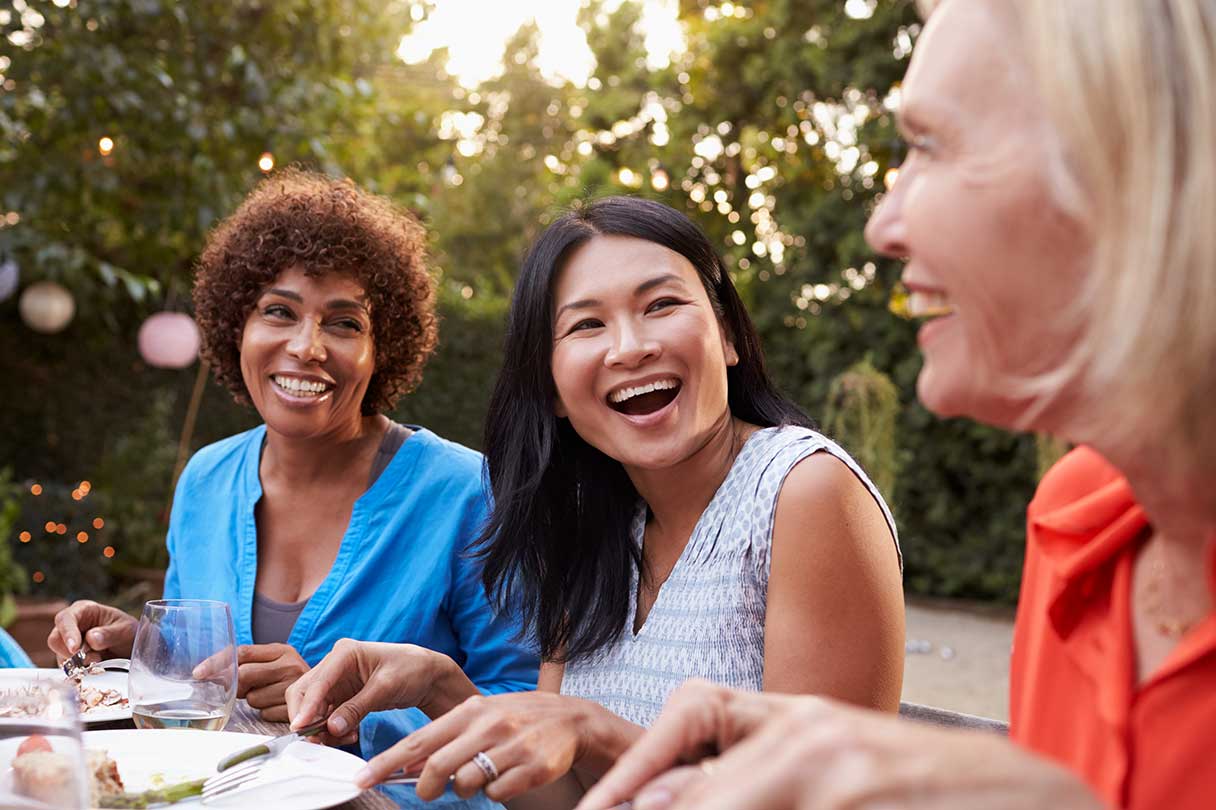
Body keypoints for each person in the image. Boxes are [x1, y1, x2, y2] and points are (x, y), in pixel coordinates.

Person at [577, 1, 1216, 809]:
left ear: (1145, 163)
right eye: (584, 325)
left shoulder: (798, 487)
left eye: (929, 145)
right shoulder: (1077, 524)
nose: (883, 224)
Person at [285, 196, 904, 805]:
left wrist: (593, 731)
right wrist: (442, 687)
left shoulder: (804, 491)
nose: (630, 348)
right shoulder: (590, 526)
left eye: (661, 305)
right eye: (587, 324)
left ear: (729, 337)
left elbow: (816, 797)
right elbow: (566, 797)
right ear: (551, 387)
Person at [46, 170, 538, 765]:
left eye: (344, 322)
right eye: (279, 312)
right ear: (238, 328)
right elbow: (197, 686)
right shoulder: (205, 480)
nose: (307, 346)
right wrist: (145, 651)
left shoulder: (467, 494)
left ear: (384, 350)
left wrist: (351, 712)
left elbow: (524, 712)